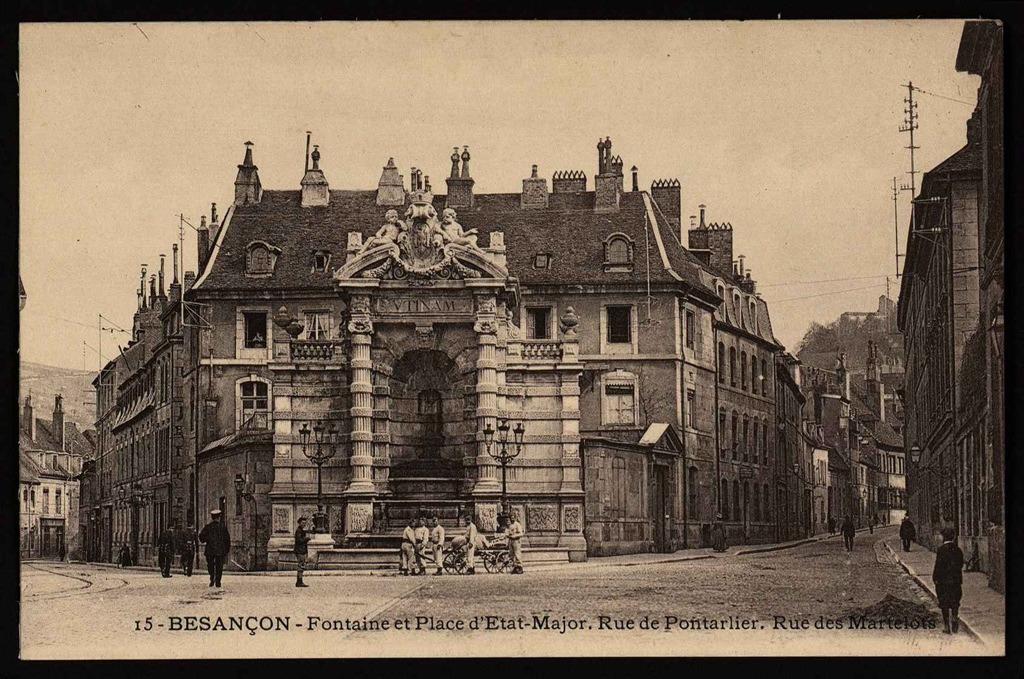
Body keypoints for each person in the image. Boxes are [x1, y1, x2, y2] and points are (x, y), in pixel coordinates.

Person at [933, 526, 964, 634]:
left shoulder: (941, 550)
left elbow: (938, 566)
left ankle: (947, 626)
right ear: (953, 537)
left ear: (943, 537)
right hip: (956, 581)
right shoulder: (958, 549)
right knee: (955, 601)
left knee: (944, 603)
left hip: (943, 582)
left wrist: (935, 578)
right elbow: (961, 564)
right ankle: (954, 617)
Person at [199, 508, 231, 588]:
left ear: (212, 517)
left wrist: (207, 540)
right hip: (220, 551)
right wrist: (226, 550)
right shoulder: (222, 527)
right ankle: (218, 581)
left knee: (210, 565)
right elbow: (227, 539)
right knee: (219, 566)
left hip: (210, 550)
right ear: (219, 517)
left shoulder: (208, 527)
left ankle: (212, 578)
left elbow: (201, 537)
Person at [294, 516, 311, 587]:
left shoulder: (301, 530)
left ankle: (299, 581)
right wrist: (306, 539)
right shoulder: (298, 531)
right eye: (303, 523)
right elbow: (299, 540)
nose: (304, 524)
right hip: (300, 550)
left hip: (301, 550)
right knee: (301, 566)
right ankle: (299, 582)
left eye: (305, 523)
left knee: (301, 566)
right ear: (299, 523)